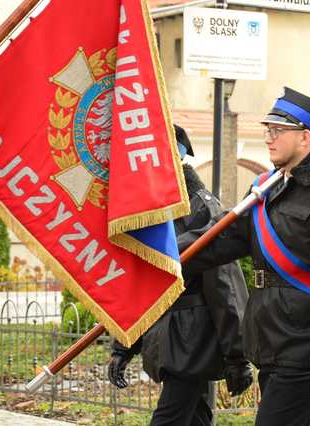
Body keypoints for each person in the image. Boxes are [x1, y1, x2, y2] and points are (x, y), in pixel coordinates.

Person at [179, 87, 310, 426]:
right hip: (271, 337)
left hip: (304, 345)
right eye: (267, 130)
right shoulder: (266, 186)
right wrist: (168, 255)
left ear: (305, 137)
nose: (269, 138)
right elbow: (222, 239)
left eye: (278, 131)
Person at [107, 125, 252, 426]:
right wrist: (124, 346)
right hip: (172, 335)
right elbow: (143, 281)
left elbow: (224, 285)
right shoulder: (153, 208)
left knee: (169, 420)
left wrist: (237, 355)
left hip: (192, 338)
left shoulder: (201, 206)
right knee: (197, 419)